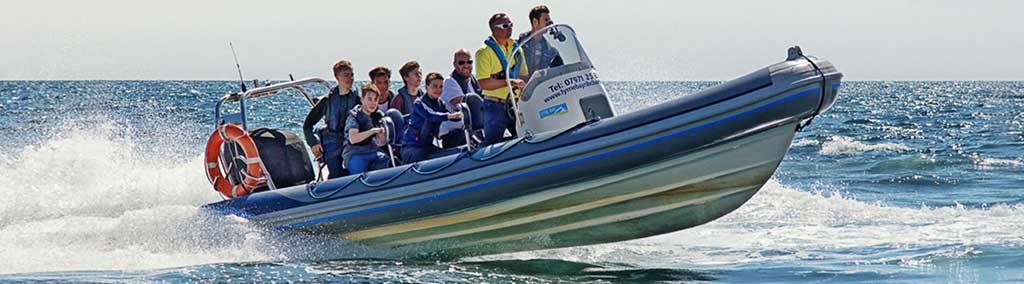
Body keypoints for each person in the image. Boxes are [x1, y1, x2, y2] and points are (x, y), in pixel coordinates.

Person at [475, 12, 529, 145]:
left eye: (511, 24)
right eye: (505, 25)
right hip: (495, 106)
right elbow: (483, 83)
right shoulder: (484, 52)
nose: (510, 27)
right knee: (493, 143)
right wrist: (509, 82)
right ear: (494, 29)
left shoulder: (516, 49)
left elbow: (523, 75)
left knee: (526, 136)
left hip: (516, 104)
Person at [302, 60, 359, 178]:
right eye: (346, 75)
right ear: (337, 77)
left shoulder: (358, 98)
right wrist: (313, 143)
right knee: (335, 173)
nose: (350, 78)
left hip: (353, 139)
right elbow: (307, 125)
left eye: (351, 75)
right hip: (333, 141)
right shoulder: (326, 101)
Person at [400, 72, 462, 163]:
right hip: (412, 148)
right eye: (435, 86)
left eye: (441, 87)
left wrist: (462, 114)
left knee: (453, 152)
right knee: (420, 156)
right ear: (426, 87)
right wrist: (450, 116)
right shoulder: (419, 103)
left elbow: (451, 116)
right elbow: (431, 115)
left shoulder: (440, 103)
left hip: (427, 146)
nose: (438, 89)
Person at [342, 84, 391, 175]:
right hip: (354, 153)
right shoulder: (354, 116)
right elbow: (353, 139)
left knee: (386, 160)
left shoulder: (377, 116)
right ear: (362, 99)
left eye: (375, 100)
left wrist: (382, 134)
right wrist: (372, 131)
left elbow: (383, 142)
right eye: (369, 99)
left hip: (372, 150)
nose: (373, 103)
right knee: (358, 169)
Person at [439, 49, 483, 148]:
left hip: (473, 131)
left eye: (469, 62)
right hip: (455, 134)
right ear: (454, 64)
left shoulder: (473, 80)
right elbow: (469, 104)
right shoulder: (449, 82)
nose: (466, 65)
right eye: (461, 63)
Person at [517, 5, 562, 72]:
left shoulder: (550, 50)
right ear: (535, 21)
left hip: (541, 82)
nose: (549, 23)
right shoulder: (519, 45)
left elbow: (560, 71)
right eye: (546, 20)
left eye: (549, 20)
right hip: (523, 81)